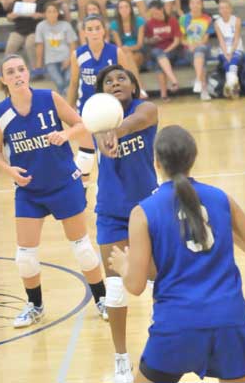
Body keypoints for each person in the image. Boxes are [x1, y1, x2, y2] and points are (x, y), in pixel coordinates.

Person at [109, 124, 245, 383]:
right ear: (193, 159)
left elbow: (136, 285)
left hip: (176, 324)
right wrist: (225, 232)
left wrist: (123, 265)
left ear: (156, 163)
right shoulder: (221, 198)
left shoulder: (143, 211)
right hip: (227, 320)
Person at [0, 54, 108, 328]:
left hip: (64, 184)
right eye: (11, 71)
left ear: (28, 73)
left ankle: (101, 299)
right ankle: (35, 306)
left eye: (21, 69)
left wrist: (66, 135)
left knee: (82, 248)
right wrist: (9, 171)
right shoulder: (0, 114)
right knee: (25, 256)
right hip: (29, 190)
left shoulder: (49, 98)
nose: (17, 75)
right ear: (4, 80)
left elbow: (81, 125)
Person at [93, 64, 158, 383]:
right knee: (116, 290)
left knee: (164, 281)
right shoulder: (96, 117)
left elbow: (139, 120)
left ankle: (165, 341)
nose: (116, 82)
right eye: (108, 81)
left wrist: (116, 131)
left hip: (148, 210)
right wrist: (103, 134)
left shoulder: (146, 109)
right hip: (112, 212)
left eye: (122, 78)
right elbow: (97, 137)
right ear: (102, 91)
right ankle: (121, 359)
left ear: (133, 86)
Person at [67, 14, 128, 191]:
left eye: (97, 28)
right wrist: (69, 110)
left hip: (111, 111)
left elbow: (126, 81)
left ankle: (113, 186)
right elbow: (73, 83)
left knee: (110, 151)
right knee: (87, 154)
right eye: (90, 29)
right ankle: (81, 188)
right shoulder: (77, 55)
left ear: (104, 30)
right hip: (87, 111)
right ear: (84, 32)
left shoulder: (115, 52)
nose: (94, 32)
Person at [35, 3, 78, 96]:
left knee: (68, 80)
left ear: (58, 13)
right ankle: (65, 99)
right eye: (49, 12)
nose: (52, 14)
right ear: (45, 13)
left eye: (54, 11)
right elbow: (40, 45)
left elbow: (72, 44)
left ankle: (65, 99)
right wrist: (38, 63)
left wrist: (70, 59)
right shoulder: (40, 26)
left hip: (66, 57)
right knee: (60, 82)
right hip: (51, 60)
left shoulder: (66, 25)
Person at [110, 0, 148, 98]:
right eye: (121, 7)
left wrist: (128, 49)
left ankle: (136, 89)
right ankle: (139, 89)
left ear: (131, 9)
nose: (124, 9)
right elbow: (119, 46)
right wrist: (126, 50)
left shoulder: (139, 21)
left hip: (139, 53)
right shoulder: (114, 25)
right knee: (127, 57)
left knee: (128, 56)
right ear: (117, 10)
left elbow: (140, 44)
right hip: (123, 54)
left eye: (126, 7)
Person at [5, 0, 45, 69]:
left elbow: (49, 13)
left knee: (30, 44)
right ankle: (8, 70)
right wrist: (11, 16)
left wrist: (39, 15)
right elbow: (9, 17)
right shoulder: (17, 0)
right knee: (11, 45)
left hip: (35, 30)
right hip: (19, 30)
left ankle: (37, 70)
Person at [145, 0, 181, 101]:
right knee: (157, 53)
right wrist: (152, 40)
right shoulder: (150, 23)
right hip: (156, 50)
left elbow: (177, 41)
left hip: (171, 49)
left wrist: (166, 51)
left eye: (155, 13)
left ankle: (164, 94)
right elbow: (146, 40)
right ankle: (173, 81)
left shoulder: (172, 20)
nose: (154, 15)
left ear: (162, 10)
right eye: (152, 13)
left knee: (159, 62)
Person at [179, 0, 212, 101]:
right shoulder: (183, 19)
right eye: (193, 3)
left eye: (198, 3)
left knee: (200, 50)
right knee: (200, 57)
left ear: (202, 5)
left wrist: (195, 45)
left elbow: (205, 39)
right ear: (189, 5)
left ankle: (198, 80)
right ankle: (203, 88)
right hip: (188, 50)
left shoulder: (207, 19)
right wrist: (189, 45)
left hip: (203, 47)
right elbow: (181, 39)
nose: (195, 5)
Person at [214, 0, 244, 99]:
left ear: (230, 9)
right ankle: (233, 89)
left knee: (232, 61)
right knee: (228, 62)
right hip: (224, 48)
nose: (224, 10)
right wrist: (226, 53)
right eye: (222, 8)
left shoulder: (237, 20)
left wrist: (231, 51)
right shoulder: (217, 23)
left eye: (226, 7)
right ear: (219, 11)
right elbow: (221, 40)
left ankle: (230, 86)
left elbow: (236, 38)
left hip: (236, 47)